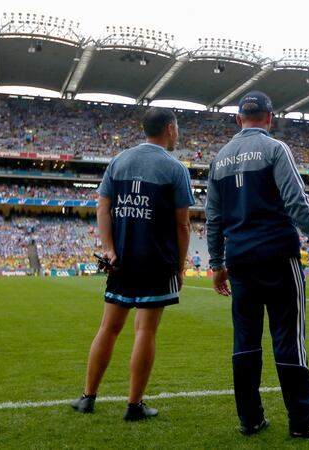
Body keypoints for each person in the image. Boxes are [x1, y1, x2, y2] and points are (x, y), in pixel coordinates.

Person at [205, 91, 309, 438]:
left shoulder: (219, 159)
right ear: (269, 117)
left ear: (238, 119)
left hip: (239, 260)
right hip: (277, 255)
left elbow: (214, 218)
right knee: (288, 337)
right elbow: (296, 199)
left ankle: (250, 418)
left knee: (245, 339)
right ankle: (303, 420)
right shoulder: (275, 149)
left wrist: (217, 263)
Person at [71, 108, 194, 421]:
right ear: (169, 129)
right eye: (176, 128)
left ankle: (87, 397)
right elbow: (183, 226)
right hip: (157, 262)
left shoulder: (119, 161)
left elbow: (103, 209)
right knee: (145, 331)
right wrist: (180, 268)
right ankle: (133, 405)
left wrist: (109, 250)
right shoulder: (175, 168)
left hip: (121, 261)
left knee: (108, 329)